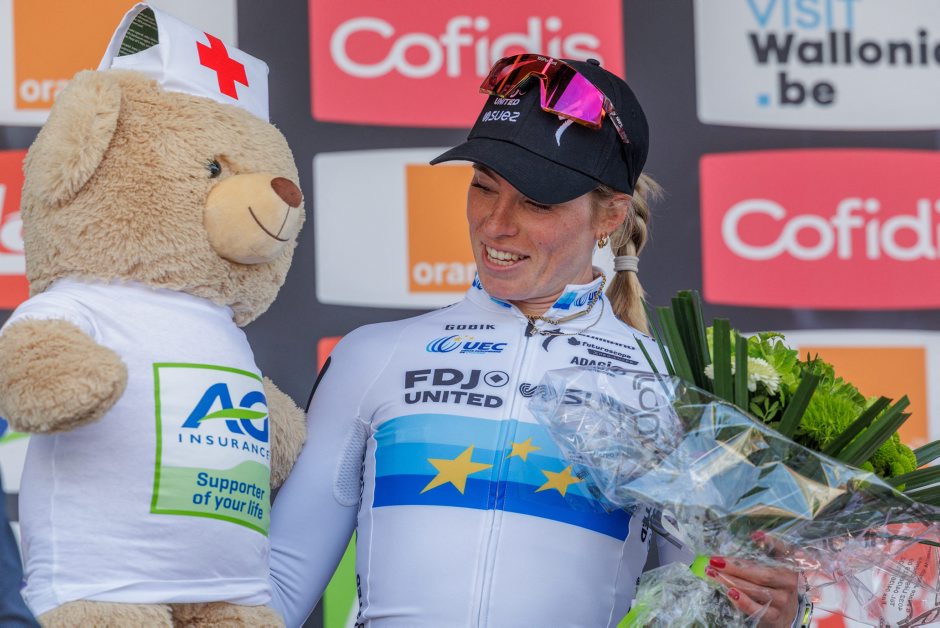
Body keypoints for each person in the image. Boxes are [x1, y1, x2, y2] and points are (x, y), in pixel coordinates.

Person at [269, 54, 804, 627]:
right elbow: (277, 586)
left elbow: (707, 604)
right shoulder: (374, 356)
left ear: (610, 215)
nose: (496, 223)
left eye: (536, 201)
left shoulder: (669, 387)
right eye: (483, 186)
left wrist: (774, 613)